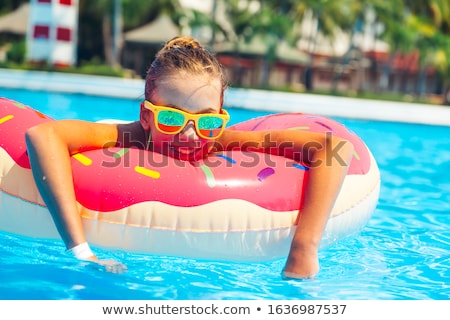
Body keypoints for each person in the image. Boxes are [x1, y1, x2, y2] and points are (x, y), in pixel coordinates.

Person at [25, 36, 353, 279]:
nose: (190, 135)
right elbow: (43, 135)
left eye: (208, 121)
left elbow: (334, 148)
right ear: (146, 116)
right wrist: (80, 250)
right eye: (172, 119)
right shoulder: (128, 136)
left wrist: (304, 247)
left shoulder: (221, 141)